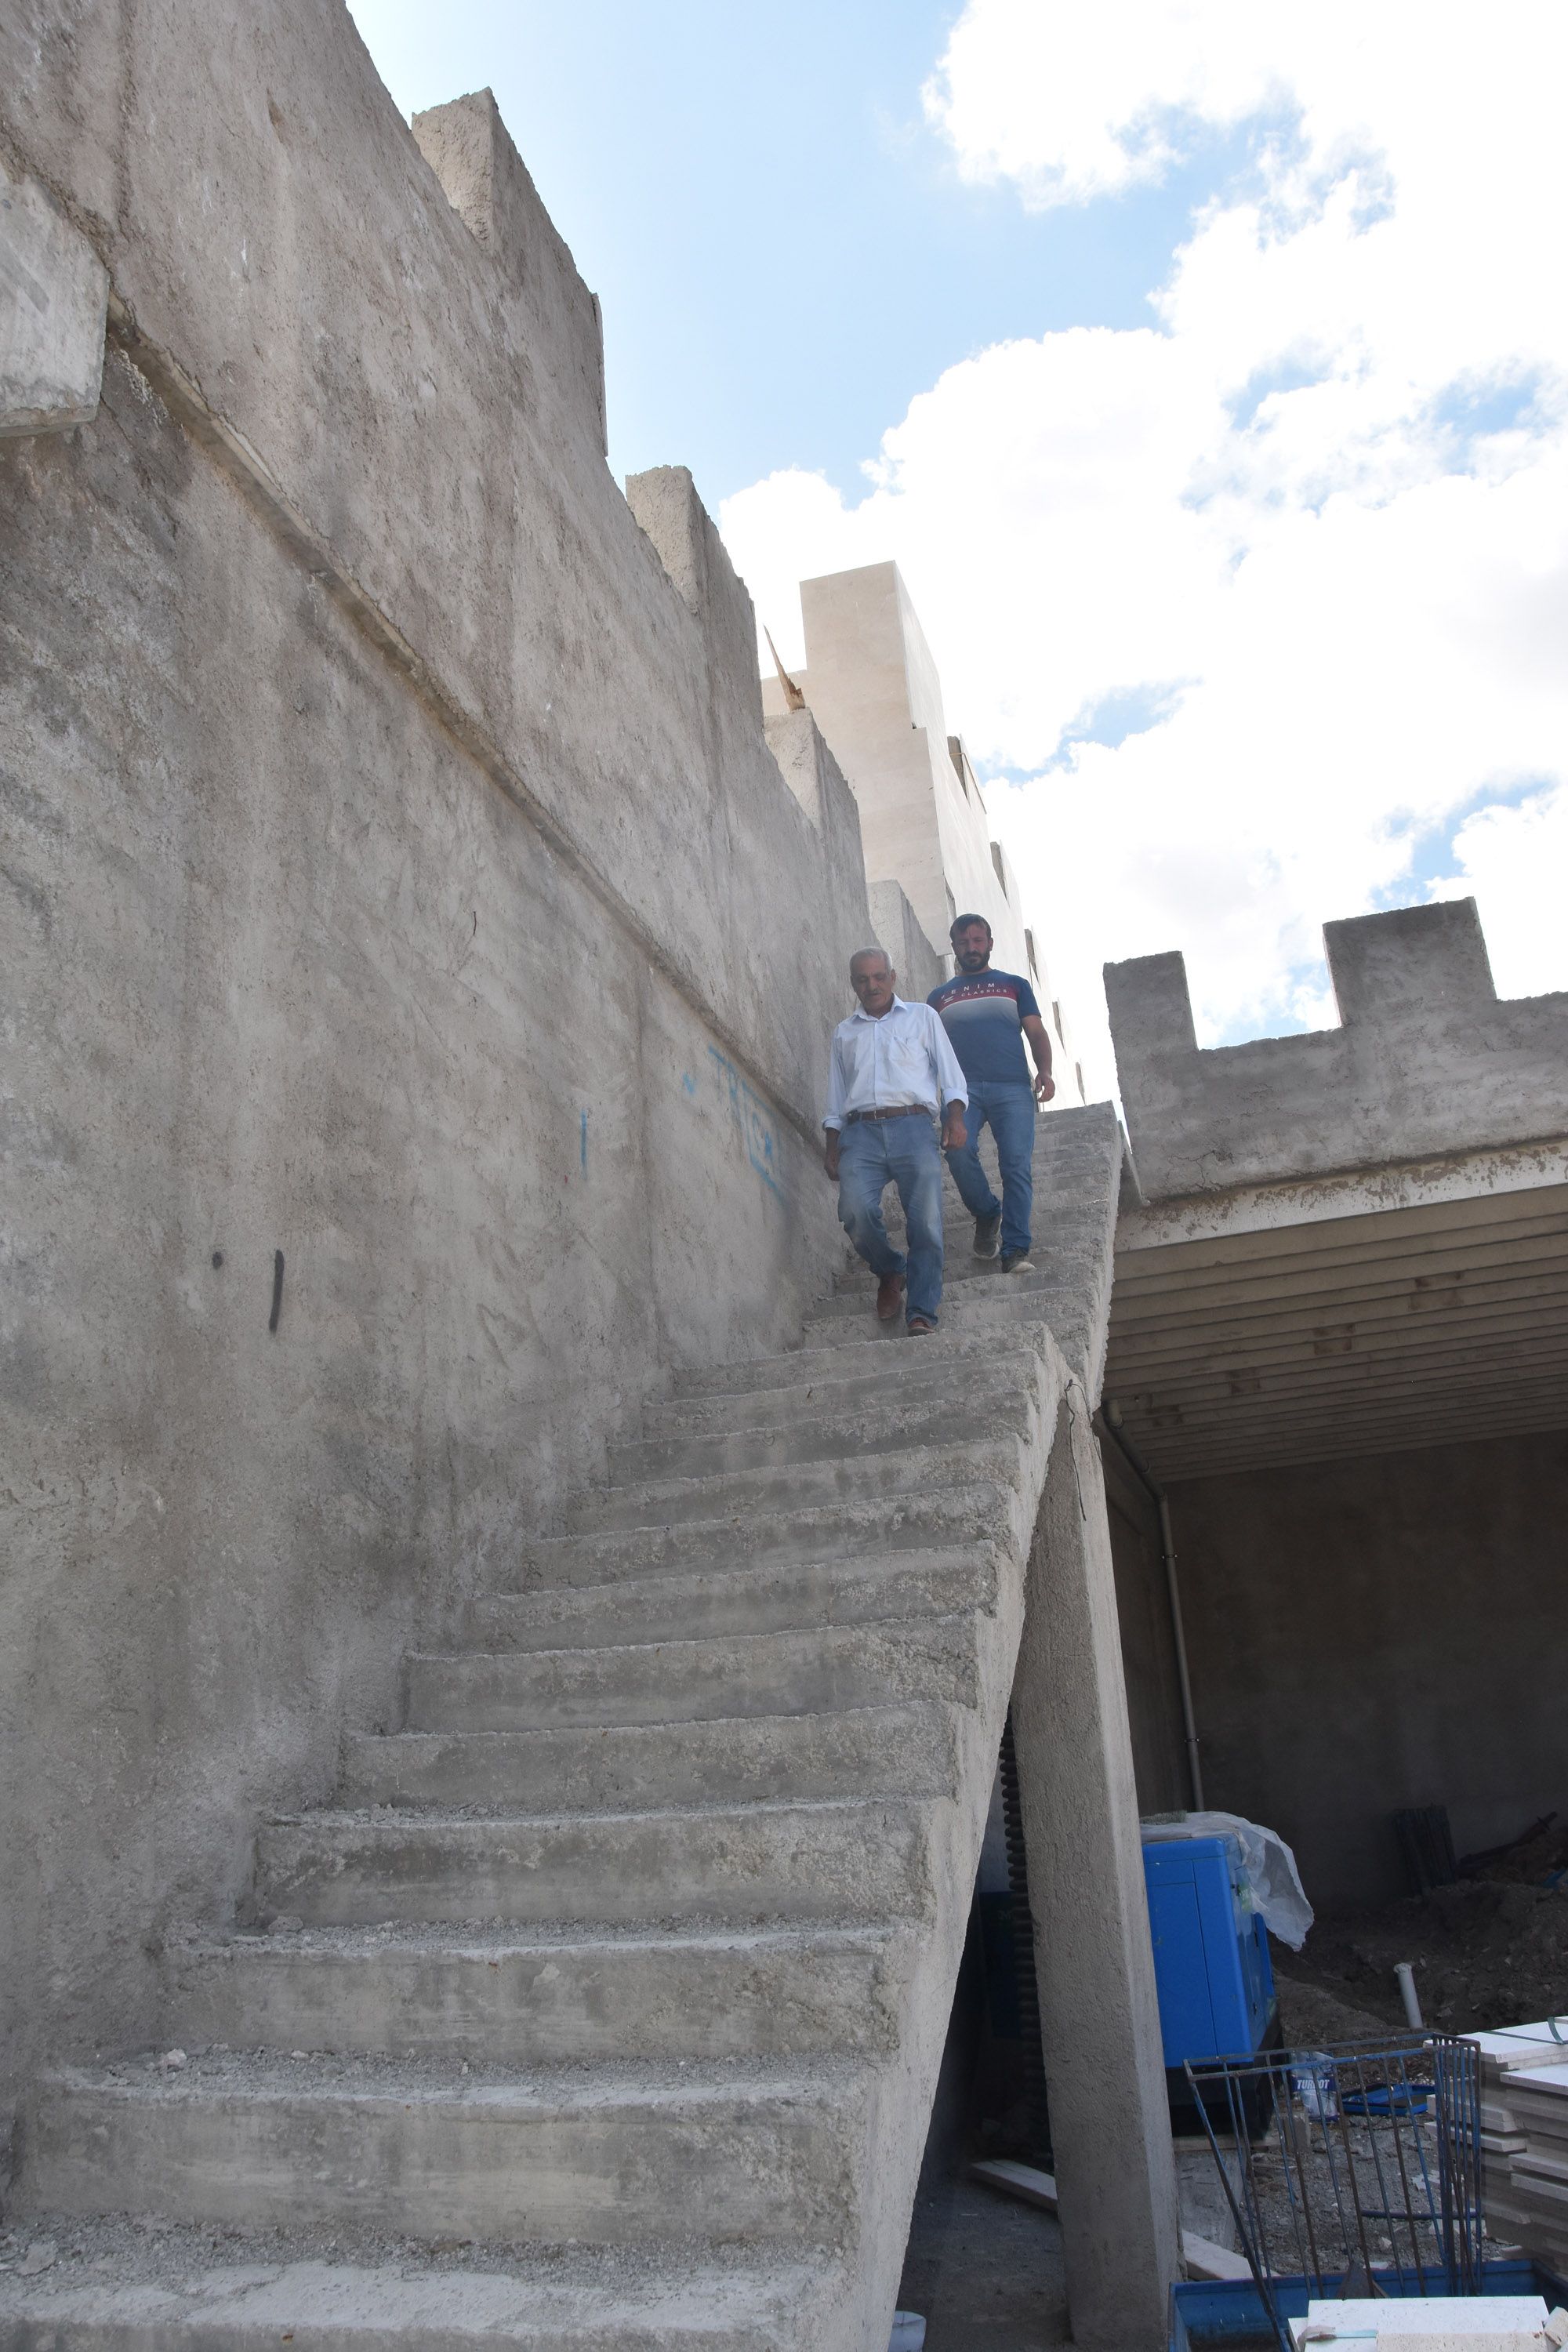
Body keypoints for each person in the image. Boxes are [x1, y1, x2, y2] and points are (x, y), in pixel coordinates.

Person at [823, 948, 968, 1335]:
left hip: (914, 1127)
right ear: (853, 982)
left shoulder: (923, 1017)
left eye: (878, 977)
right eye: (862, 979)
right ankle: (890, 1269)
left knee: (926, 1223)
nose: (871, 986)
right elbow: (836, 1097)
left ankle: (921, 1311)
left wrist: (955, 1118)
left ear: (892, 976)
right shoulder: (844, 1032)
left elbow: (951, 1075)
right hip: (861, 1133)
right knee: (854, 1211)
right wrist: (831, 1144)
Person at [928, 913, 1054, 1273]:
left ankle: (1015, 1250)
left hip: (1013, 1088)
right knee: (957, 1152)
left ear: (990, 944)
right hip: (960, 1094)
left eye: (978, 940)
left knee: (1016, 1166)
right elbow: (929, 1051)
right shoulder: (938, 998)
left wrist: (1044, 1070)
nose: (972, 948)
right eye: (964, 942)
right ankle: (987, 1213)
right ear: (953, 947)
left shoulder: (1014, 985)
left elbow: (1037, 1033)